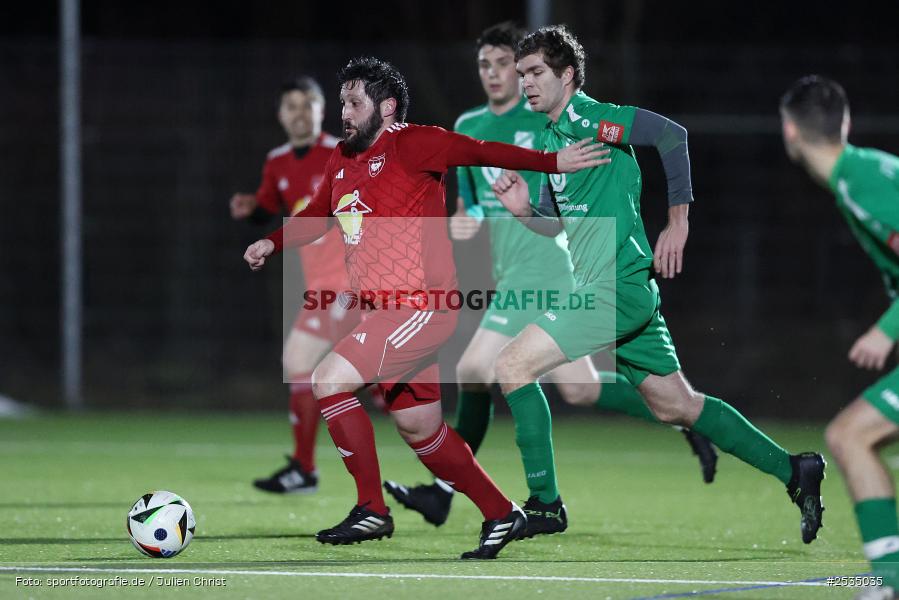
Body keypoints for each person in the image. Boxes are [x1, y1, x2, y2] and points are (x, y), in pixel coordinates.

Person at [243, 56, 608, 559]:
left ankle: (371, 509)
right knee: (421, 429)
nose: (344, 113)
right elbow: (319, 217)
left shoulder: (413, 143)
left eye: (354, 103)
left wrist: (553, 162)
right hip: (386, 313)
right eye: (343, 102)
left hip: (420, 307)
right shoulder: (343, 160)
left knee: (329, 380)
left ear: (387, 108)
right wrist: (273, 243)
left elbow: (481, 151)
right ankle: (502, 513)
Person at [490, 25, 825, 545]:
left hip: (614, 286)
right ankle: (796, 470)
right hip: (620, 289)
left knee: (512, 365)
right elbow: (560, 221)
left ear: (567, 75)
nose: (525, 83)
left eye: (536, 73)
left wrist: (678, 221)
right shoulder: (550, 138)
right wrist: (524, 213)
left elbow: (672, 136)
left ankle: (546, 505)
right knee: (676, 406)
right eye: (522, 74)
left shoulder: (592, 118)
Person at [384, 21, 717, 537]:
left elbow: (615, 162)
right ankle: (683, 418)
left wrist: (672, 217)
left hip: (547, 265)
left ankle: (459, 491)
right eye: (486, 65)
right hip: (509, 266)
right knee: (581, 389)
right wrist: (463, 217)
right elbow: (474, 200)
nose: (498, 75)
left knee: (480, 366)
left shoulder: (547, 115)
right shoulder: (469, 122)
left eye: (509, 66)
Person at [782, 75, 899, 600]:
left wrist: (886, 329)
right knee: (854, 435)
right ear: (844, 123)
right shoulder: (865, 174)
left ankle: (889, 582)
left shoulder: (859, 180)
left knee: (851, 437)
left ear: (789, 130)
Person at [230, 76, 351, 495]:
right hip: (321, 285)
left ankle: (445, 469)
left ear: (321, 110)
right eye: (291, 106)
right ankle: (304, 469)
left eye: (307, 105)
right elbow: (269, 207)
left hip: (351, 280)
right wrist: (251, 211)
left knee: (361, 376)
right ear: (281, 114)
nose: (299, 113)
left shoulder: (342, 152)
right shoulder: (277, 161)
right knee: (309, 363)